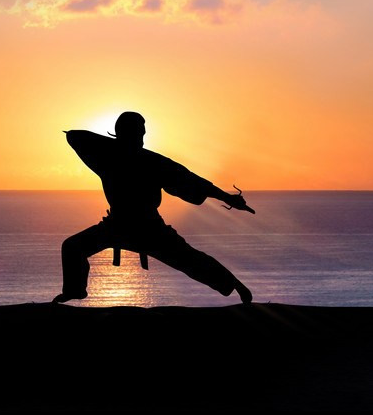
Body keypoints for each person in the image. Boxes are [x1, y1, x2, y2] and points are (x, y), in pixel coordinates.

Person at [52, 111, 254, 304]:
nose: (140, 135)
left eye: (141, 131)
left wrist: (228, 198)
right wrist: (118, 144)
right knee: (72, 247)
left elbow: (193, 182)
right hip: (117, 225)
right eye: (136, 130)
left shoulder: (146, 160)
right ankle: (74, 290)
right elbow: (75, 136)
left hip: (149, 227)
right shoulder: (109, 156)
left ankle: (234, 284)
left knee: (189, 259)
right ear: (124, 132)